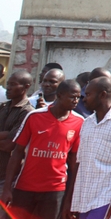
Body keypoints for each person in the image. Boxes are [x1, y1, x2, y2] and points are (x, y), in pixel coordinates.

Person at [2, 79, 83, 219]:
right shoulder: (34, 116)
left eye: (78, 97)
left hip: (55, 190)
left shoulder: (79, 122)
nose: (76, 101)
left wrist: (69, 199)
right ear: (59, 95)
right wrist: (7, 188)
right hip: (25, 187)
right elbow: (17, 153)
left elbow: (74, 164)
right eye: (72, 96)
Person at [67, 77, 111, 219]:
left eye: (88, 95)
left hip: (107, 197)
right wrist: (70, 199)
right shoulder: (87, 123)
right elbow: (79, 163)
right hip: (84, 197)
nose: (83, 99)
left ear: (102, 95)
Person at [0, 71, 34, 196]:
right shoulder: (3, 107)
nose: (8, 88)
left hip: (7, 176)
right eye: (8, 84)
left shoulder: (27, 113)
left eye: (13, 84)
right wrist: (6, 133)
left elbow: (10, 145)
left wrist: (8, 136)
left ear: (26, 87)